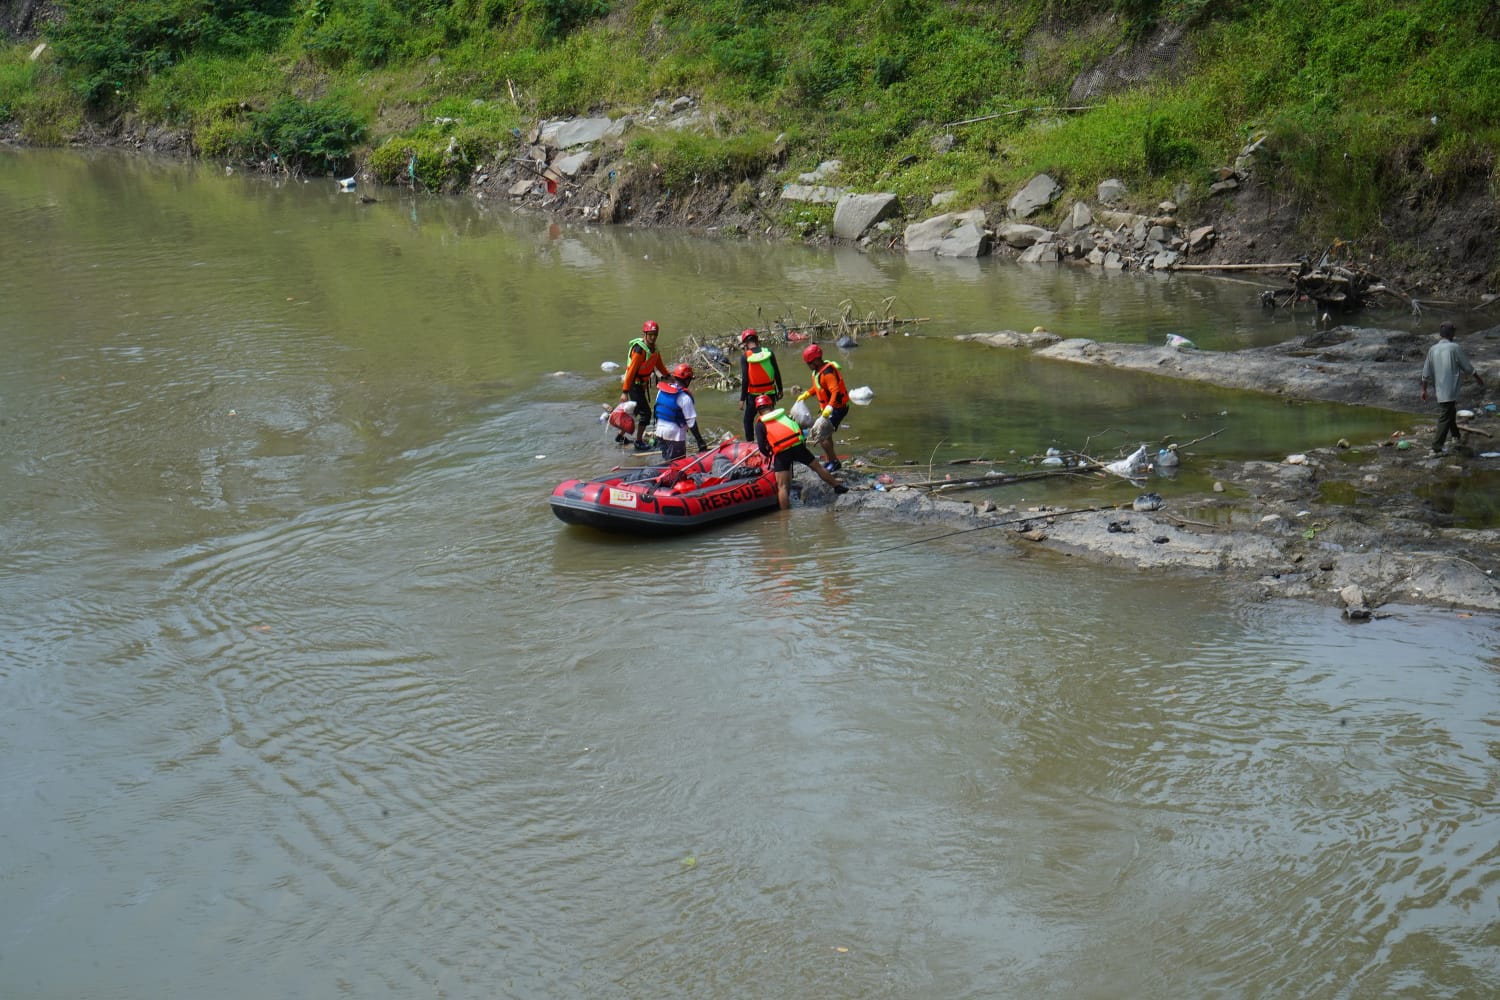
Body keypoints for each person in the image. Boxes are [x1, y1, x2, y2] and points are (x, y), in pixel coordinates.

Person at [753, 394, 848, 509]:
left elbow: (762, 447)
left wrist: (769, 454)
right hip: (798, 447)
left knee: (782, 486)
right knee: (818, 468)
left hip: (782, 452)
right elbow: (797, 430)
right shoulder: (784, 416)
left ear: (758, 410)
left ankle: (785, 515)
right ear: (771, 405)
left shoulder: (760, 424)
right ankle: (837, 486)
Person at [1420, 320, 1484, 455]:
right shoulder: (1454, 347)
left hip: (1440, 388)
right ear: (1451, 334)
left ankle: (1455, 435)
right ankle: (1436, 448)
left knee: (1450, 411)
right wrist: (1478, 378)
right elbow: (1467, 367)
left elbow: (1426, 372)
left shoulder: (1433, 349)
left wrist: (1424, 390)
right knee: (1445, 416)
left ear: (1440, 334)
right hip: (1450, 389)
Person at [794, 343, 851, 470]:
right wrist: (807, 394)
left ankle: (834, 462)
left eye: (809, 364)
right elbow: (818, 387)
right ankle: (831, 460)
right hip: (829, 408)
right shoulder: (818, 372)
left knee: (822, 435)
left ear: (815, 361)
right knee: (825, 435)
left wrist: (830, 407)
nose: (808, 366)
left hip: (837, 407)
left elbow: (835, 391)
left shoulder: (828, 373)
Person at [620, 320, 669, 451]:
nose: (653, 337)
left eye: (655, 335)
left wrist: (669, 377)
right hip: (633, 385)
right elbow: (630, 372)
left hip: (641, 385)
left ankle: (620, 436)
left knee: (635, 412)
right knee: (646, 413)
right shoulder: (639, 350)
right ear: (645, 334)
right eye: (650, 334)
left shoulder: (654, 349)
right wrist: (625, 391)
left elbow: (660, 366)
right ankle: (639, 441)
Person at [653, 363, 709, 462]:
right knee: (678, 464)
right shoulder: (684, 398)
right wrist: (700, 442)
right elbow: (692, 423)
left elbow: (657, 411)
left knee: (667, 461)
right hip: (675, 436)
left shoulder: (661, 391)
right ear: (687, 380)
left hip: (660, 432)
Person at [738, 328, 783, 442]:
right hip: (770, 393)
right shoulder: (768, 352)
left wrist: (742, 399)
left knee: (748, 420)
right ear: (757, 340)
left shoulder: (745, 357)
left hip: (754, 396)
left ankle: (750, 443)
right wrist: (780, 390)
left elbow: (745, 379)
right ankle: (774, 439)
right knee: (769, 418)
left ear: (745, 343)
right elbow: (776, 372)